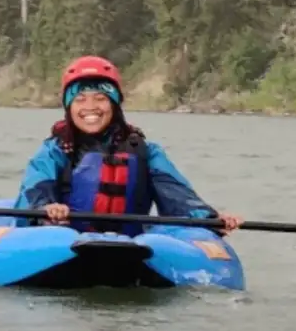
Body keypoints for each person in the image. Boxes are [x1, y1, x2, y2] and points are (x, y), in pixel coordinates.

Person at [15, 55, 244, 236]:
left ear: (115, 105)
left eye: (101, 98)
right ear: (68, 107)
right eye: (80, 99)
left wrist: (208, 219)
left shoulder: (145, 151)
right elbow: (36, 188)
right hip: (64, 239)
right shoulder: (56, 150)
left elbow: (176, 195)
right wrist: (46, 209)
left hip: (130, 243)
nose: (90, 107)